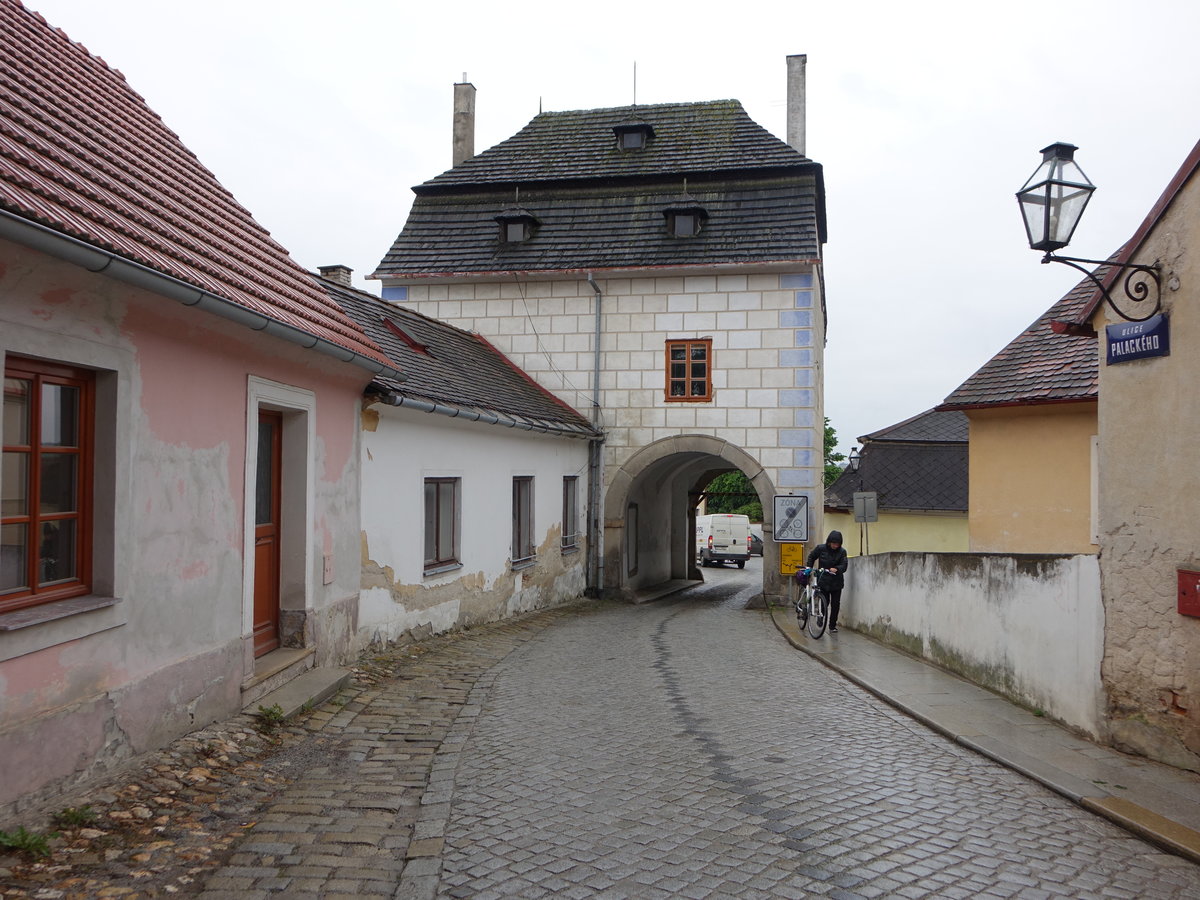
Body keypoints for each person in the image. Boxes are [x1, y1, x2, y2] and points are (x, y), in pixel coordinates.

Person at [800, 530, 848, 632]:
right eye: (834, 543)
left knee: (835, 604)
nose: (835, 546)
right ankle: (820, 616)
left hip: (836, 582)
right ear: (829, 542)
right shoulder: (821, 548)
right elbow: (812, 556)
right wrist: (809, 567)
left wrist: (837, 569)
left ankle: (832, 626)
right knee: (824, 602)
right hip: (823, 579)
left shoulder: (842, 552)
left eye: (838, 544)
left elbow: (844, 565)